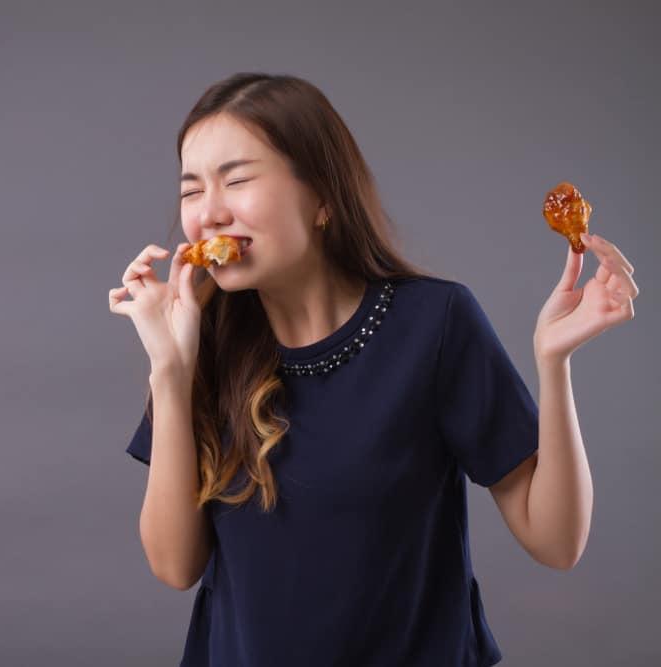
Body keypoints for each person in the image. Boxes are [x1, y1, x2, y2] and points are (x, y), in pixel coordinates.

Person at [107, 72, 637, 666]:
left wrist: (553, 361)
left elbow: (557, 541)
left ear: (323, 198)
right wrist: (171, 374)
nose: (208, 214)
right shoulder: (200, 339)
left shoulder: (434, 322)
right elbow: (175, 565)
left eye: (236, 179)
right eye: (191, 190)